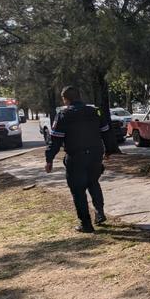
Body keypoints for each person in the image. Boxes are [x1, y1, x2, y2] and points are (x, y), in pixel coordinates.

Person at [44, 86, 113, 233]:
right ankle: (99, 212)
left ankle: (86, 224)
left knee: (78, 190)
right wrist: (109, 150)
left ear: (65, 99)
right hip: (95, 155)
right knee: (93, 182)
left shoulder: (63, 114)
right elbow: (106, 131)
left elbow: (55, 140)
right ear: (79, 96)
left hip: (76, 157)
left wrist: (49, 159)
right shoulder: (95, 111)